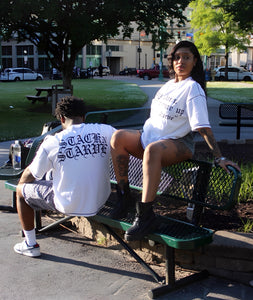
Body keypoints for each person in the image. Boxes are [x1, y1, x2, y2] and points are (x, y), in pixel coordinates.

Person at [109, 40, 241, 241]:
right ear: (172, 61)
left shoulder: (193, 88)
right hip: (150, 141)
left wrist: (219, 157)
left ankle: (145, 216)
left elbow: (202, 127)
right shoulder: (169, 85)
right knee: (117, 137)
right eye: (177, 57)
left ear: (195, 61)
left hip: (177, 144)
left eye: (186, 57)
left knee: (153, 150)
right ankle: (124, 197)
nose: (181, 61)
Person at [14, 96, 115, 257]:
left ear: (61, 118)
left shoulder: (53, 142)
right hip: (100, 199)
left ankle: (30, 244)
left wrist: (22, 184)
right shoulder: (106, 130)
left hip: (68, 204)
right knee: (50, 176)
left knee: (21, 191)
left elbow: (31, 173)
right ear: (83, 116)